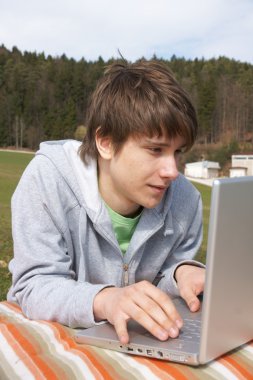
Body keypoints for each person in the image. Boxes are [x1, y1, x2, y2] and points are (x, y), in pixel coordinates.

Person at [7, 60, 205, 345]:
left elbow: (162, 282)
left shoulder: (186, 201)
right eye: (155, 149)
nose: (172, 171)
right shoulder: (49, 178)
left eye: (177, 153)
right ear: (106, 142)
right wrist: (106, 300)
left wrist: (180, 275)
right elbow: (33, 285)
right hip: (43, 343)